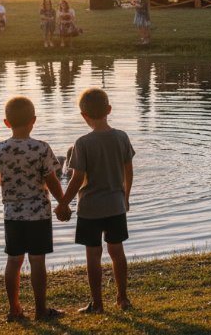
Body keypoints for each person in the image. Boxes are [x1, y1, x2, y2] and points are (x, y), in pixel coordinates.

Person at [0, 96, 66, 322]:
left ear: (6, 122)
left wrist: (10, 178)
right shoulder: (41, 148)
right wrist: (63, 202)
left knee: (14, 261)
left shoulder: (0, 149)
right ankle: (41, 310)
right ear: (33, 120)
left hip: (12, 214)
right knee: (37, 261)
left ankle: (15, 309)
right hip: (39, 212)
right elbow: (51, 180)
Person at [55, 88, 135, 312]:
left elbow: (77, 179)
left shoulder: (82, 143)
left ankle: (97, 304)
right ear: (109, 110)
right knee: (117, 252)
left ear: (83, 115)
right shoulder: (122, 137)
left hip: (89, 209)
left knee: (93, 255)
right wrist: (126, 197)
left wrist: (63, 203)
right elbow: (129, 171)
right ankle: (122, 298)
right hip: (115, 205)